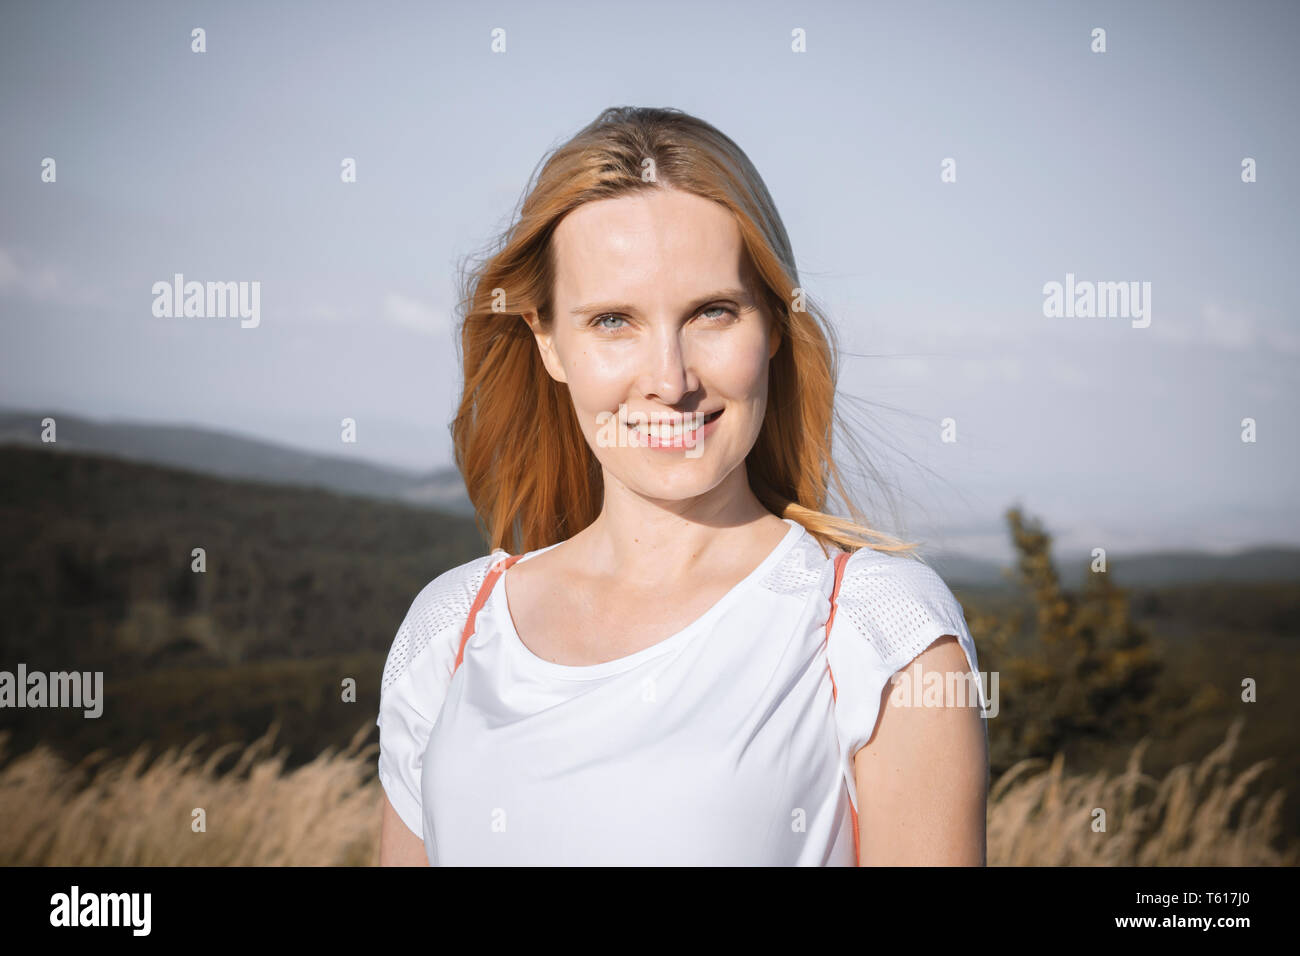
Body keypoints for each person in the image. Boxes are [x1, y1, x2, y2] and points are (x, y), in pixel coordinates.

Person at [376, 106, 988, 866]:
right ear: (547, 342)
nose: (670, 380)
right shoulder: (448, 631)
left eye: (712, 312)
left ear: (772, 325)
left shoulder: (877, 632)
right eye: (611, 321)